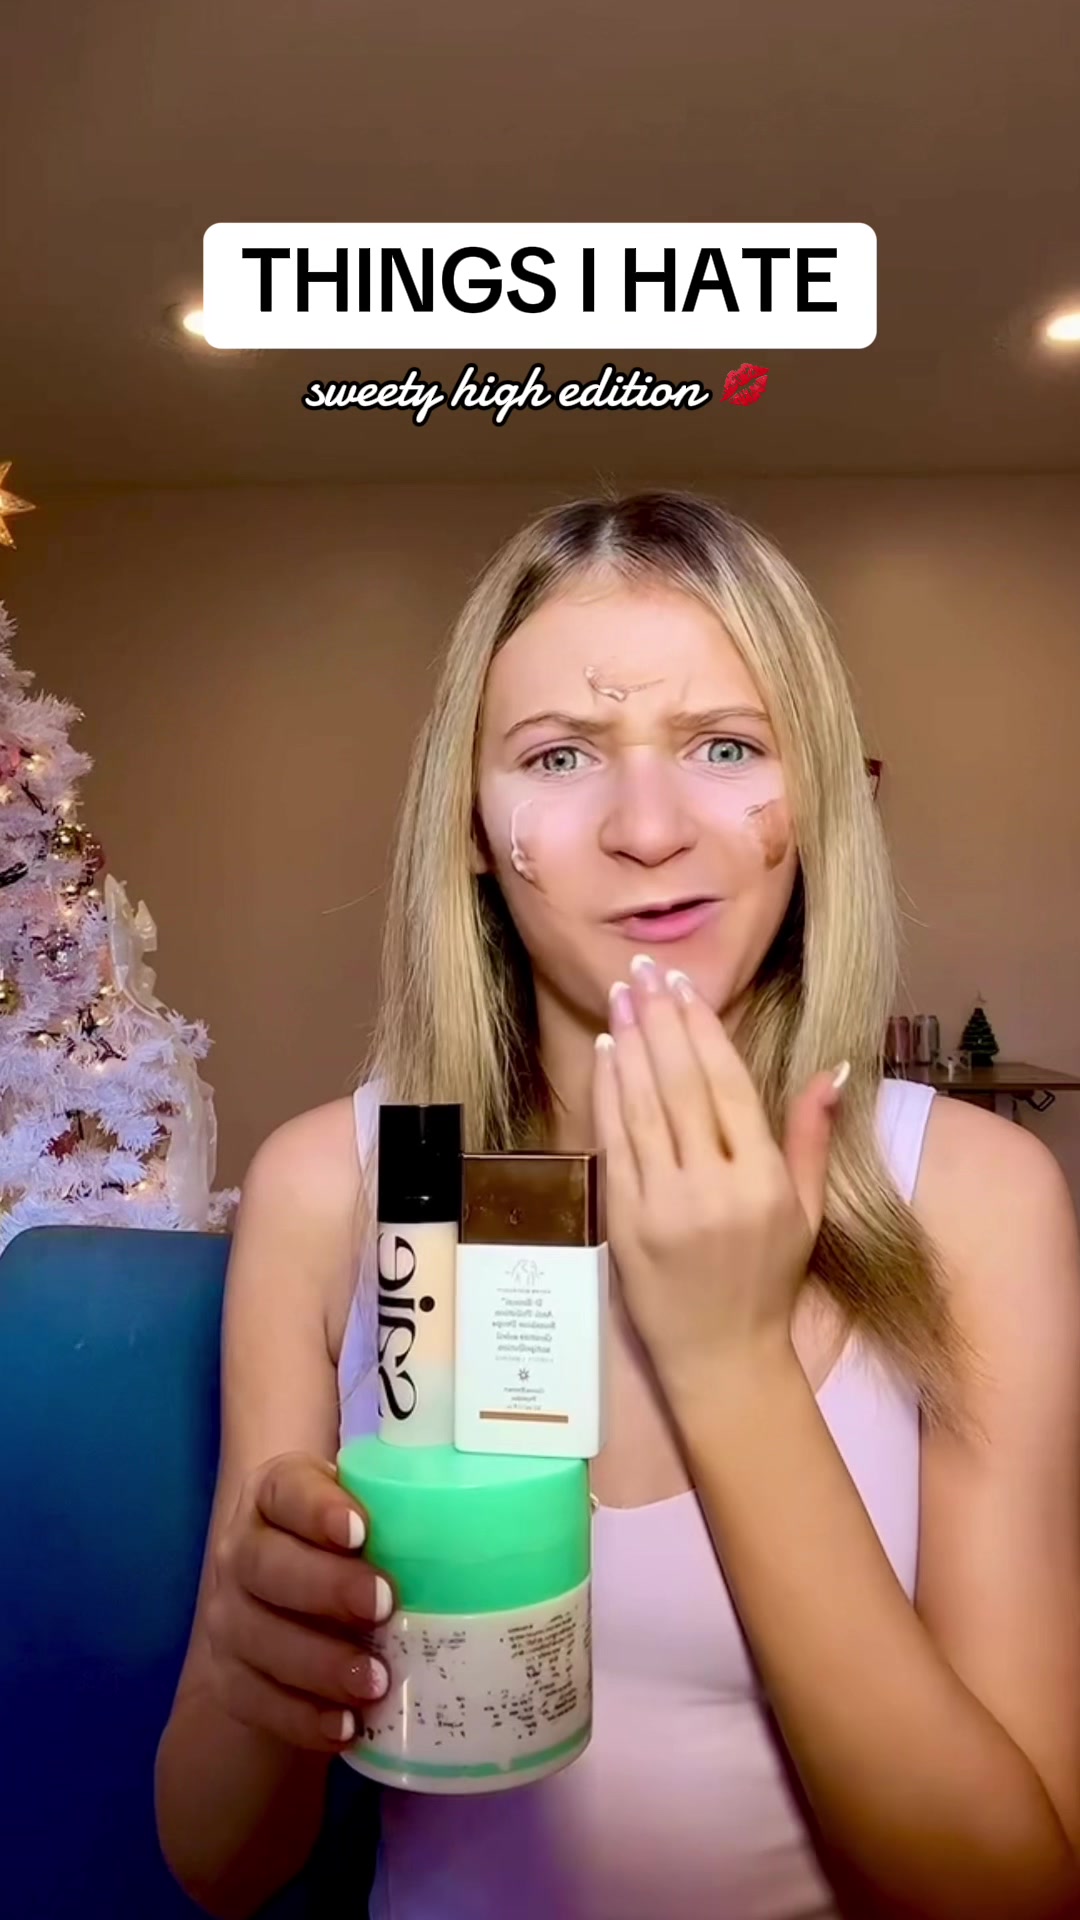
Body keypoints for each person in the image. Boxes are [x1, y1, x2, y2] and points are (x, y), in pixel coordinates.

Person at [156, 491, 1080, 1920]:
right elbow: (223, 1865)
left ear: (818, 798)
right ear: (473, 824)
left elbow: (1010, 1892)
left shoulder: (973, 1197)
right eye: (560, 755)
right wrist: (246, 1653)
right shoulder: (330, 1189)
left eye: (727, 747)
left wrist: (729, 1359)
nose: (650, 830)